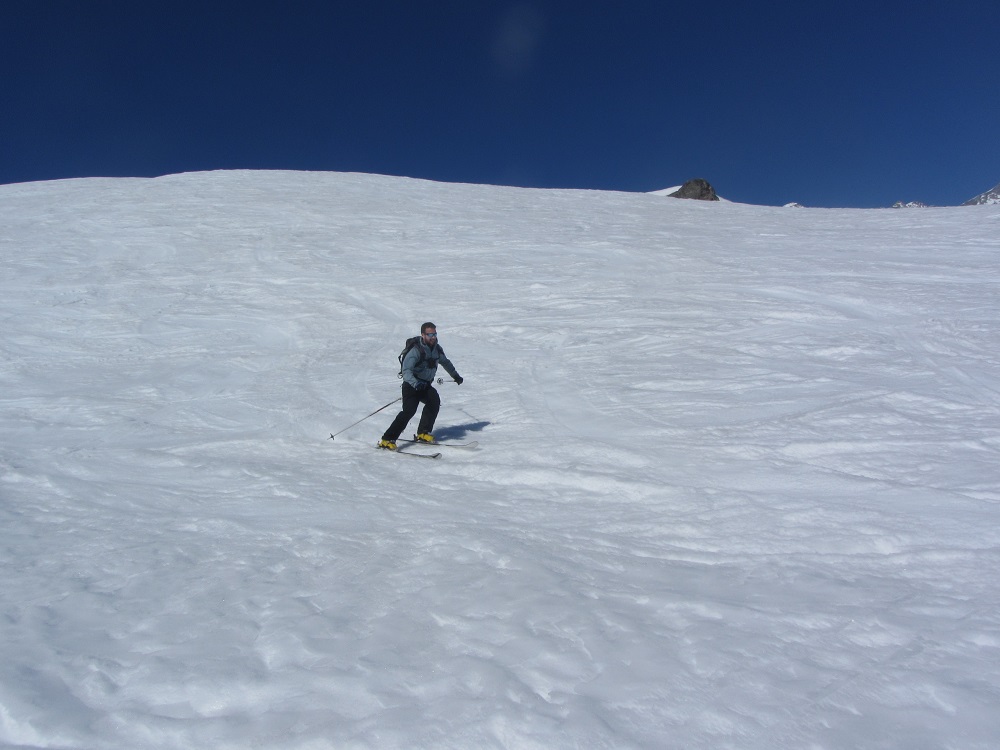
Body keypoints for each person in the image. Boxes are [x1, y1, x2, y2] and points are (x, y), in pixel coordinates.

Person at [379, 322, 463, 449]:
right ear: (423, 335)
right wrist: (415, 383)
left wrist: (455, 376)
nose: (433, 337)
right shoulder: (416, 350)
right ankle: (387, 439)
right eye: (430, 334)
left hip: (425, 385)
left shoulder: (437, 349)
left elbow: (445, 362)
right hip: (411, 386)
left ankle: (423, 432)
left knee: (434, 401)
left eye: (434, 334)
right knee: (408, 412)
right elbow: (406, 370)